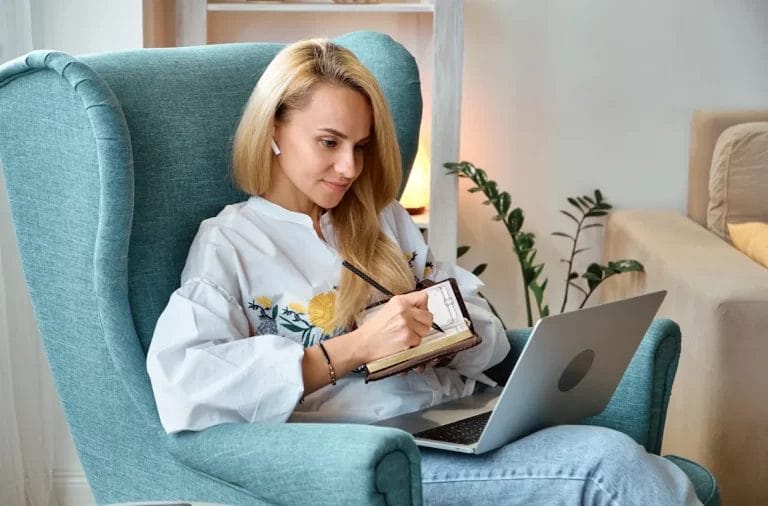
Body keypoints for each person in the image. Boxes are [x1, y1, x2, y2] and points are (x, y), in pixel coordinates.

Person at [146, 38, 700, 505]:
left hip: (455, 419)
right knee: (609, 468)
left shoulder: (381, 218)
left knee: (632, 467)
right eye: (328, 143)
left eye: (360, 147)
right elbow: (186, 382)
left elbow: (488, 341)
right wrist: (355, 348)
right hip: (371, 455)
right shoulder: (231, 242)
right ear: (273, 130)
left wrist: (447, 332)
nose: (349, 168)